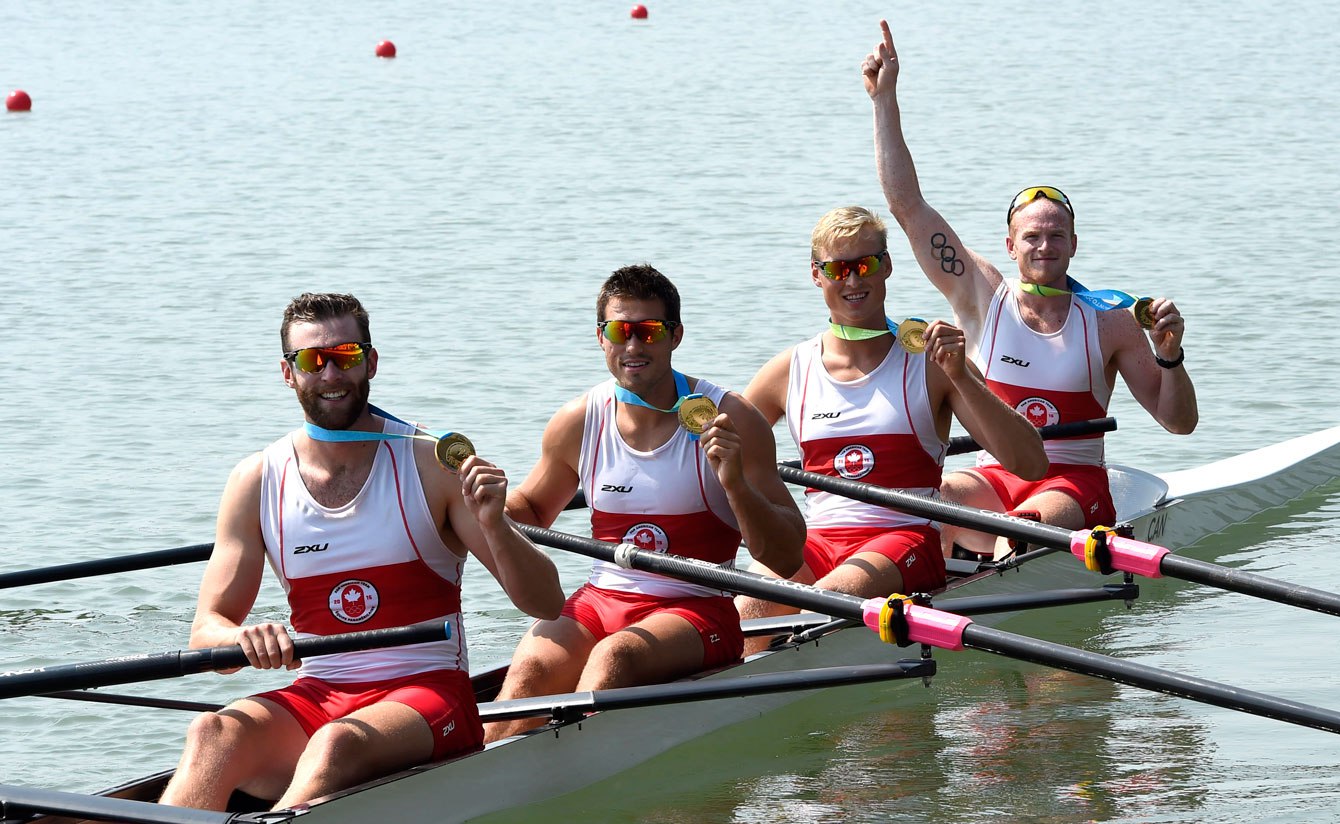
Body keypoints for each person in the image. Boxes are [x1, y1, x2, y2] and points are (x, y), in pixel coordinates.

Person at [159, 293, 564, 812]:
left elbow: (548, 603)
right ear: (288, 373)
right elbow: (205, 634)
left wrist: (495, 524)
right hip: (321, 690)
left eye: (346, 355)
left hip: (430, 693)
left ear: (370, 362)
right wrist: (241, 638)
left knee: (335, 743)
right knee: (212, 732)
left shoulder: (431, 463)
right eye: (312, 360)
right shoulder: (256, 479)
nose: (330, 373)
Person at [864, 20, 1198, 554]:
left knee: (1020, 528)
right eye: (1033, 237)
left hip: (1075, 485)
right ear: (1010, 246)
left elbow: (1179, 424)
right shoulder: (981, 296)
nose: (1045, 246)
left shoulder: (1111, 319)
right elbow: (908, 207)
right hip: (993, 476)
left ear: (1073, 245)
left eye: (1056, 236)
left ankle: (989, 568)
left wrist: (1170, 356)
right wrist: (884, 101)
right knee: (926, 500)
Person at [483, 264, 805, 743]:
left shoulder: (731, 418)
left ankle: (579, 775)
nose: (633, 346)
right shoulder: (578, 420)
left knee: (615, 656)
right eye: (620, 331)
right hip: (600, 600)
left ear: (675, 335)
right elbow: (530, 510)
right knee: (528, 669)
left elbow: (786, 555)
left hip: (696, 606)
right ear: (601, 337)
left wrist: (734, 483)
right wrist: (480, 505)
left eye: (648, 331)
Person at [736, 206, 1047, 647]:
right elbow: (714, 460)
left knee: (819, 608)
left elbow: (1031, 462)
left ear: (887, 266)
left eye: (866, 265)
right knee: (745, 613)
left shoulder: (932, 361)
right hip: (817, 539)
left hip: (906, 540)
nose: (853, 280)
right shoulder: (788, 370)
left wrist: (961, 375)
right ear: (816, 274)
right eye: (839, 268)